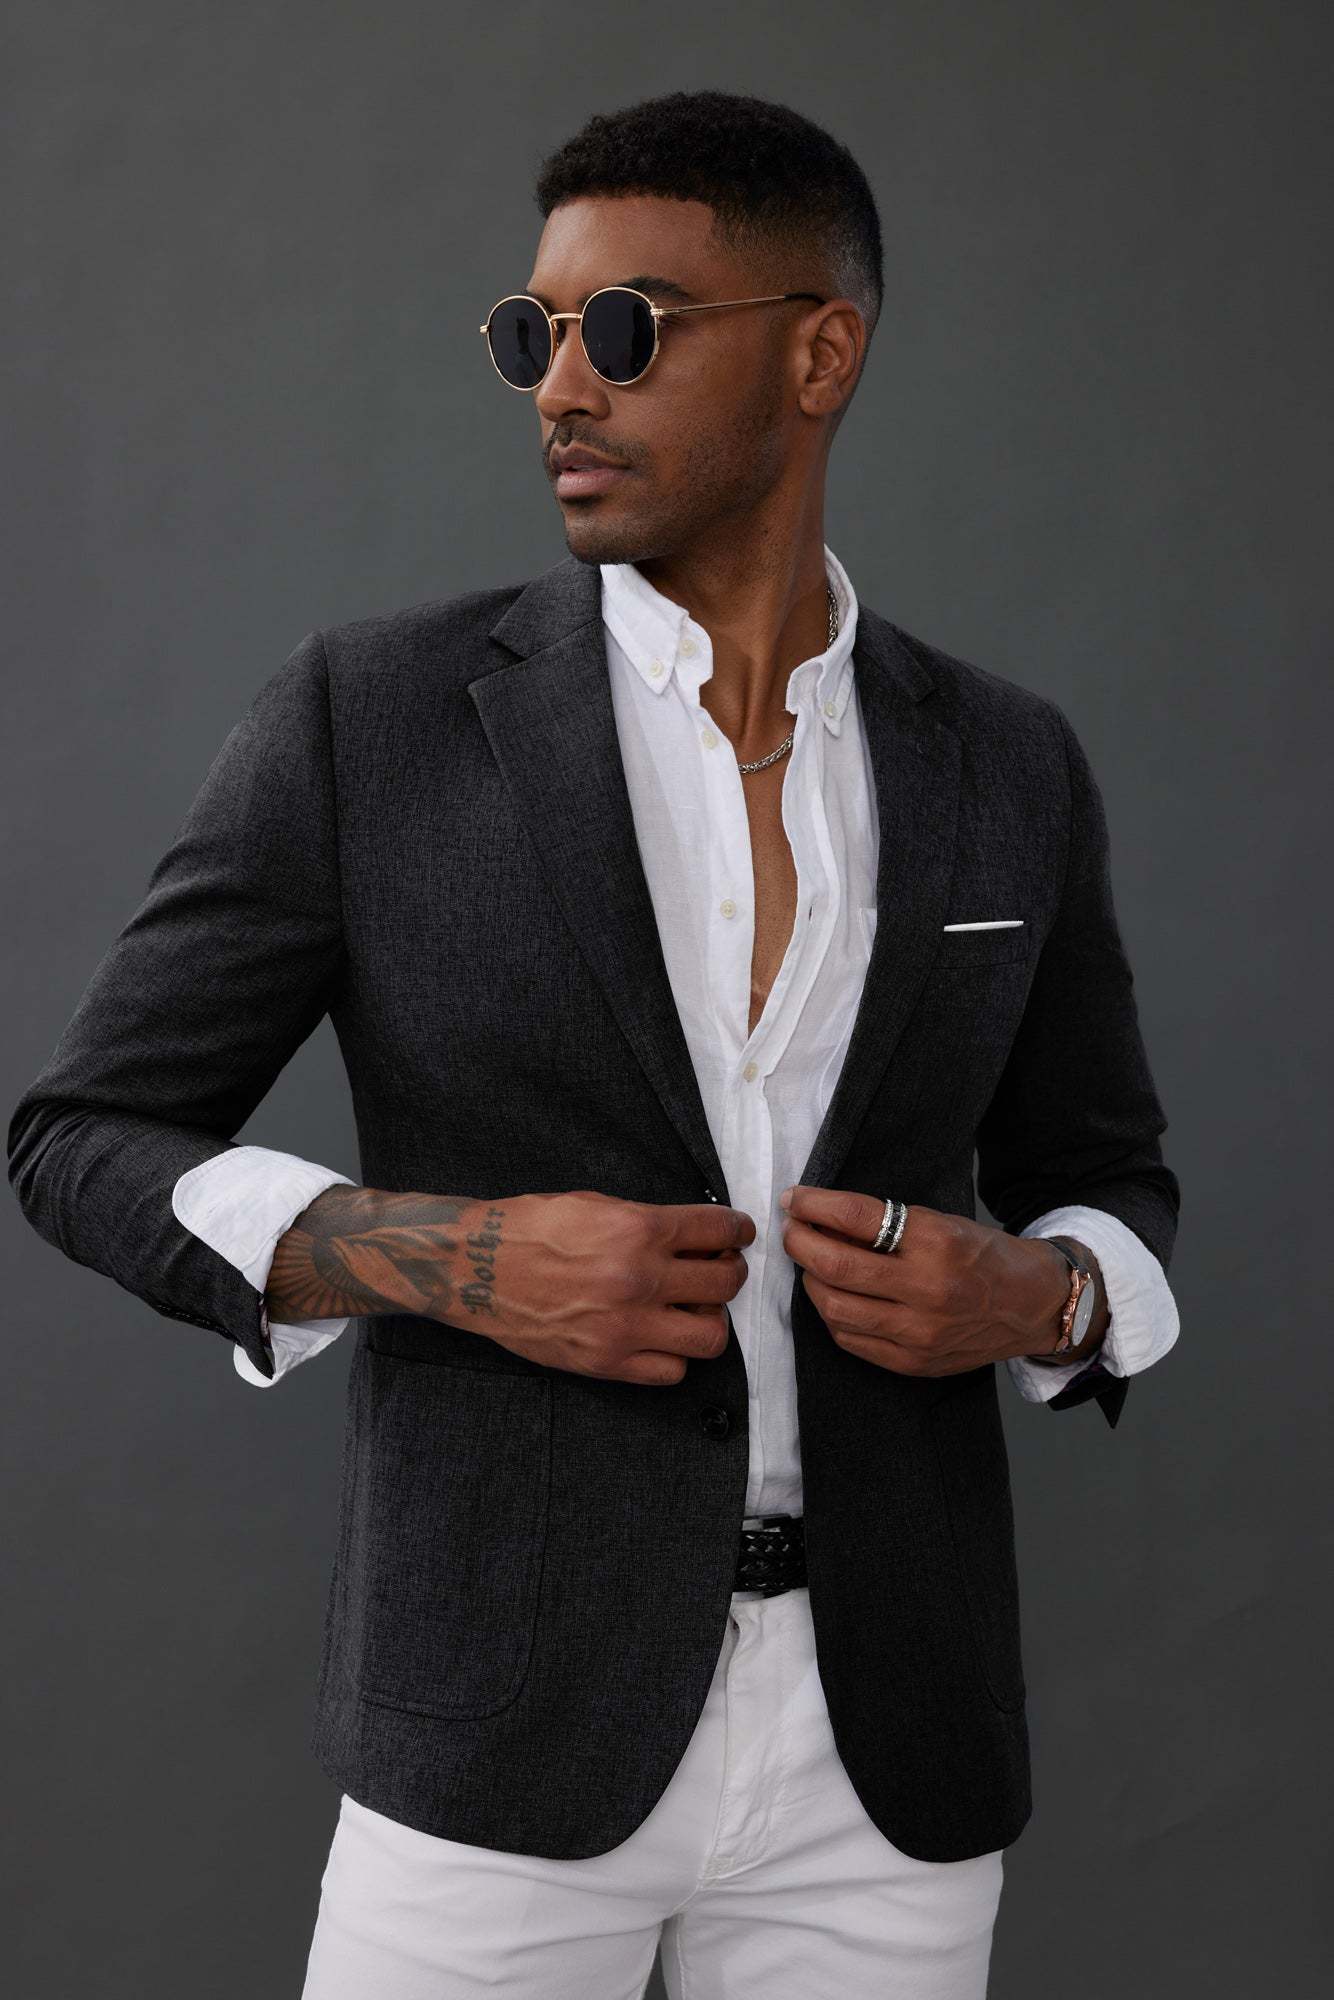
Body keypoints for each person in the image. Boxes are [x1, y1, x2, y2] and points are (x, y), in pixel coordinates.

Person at [8, 88, 1181, 2000]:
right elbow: (81, 1138)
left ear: (819, 353)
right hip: (496, 1731)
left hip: (888, 1753)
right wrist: (453, 1260)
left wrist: (1042, 1299)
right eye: (529, 333)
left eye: (625, 329)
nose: (560, 386)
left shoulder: (1003, 759)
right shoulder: (372, 719)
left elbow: (1107, 1174)